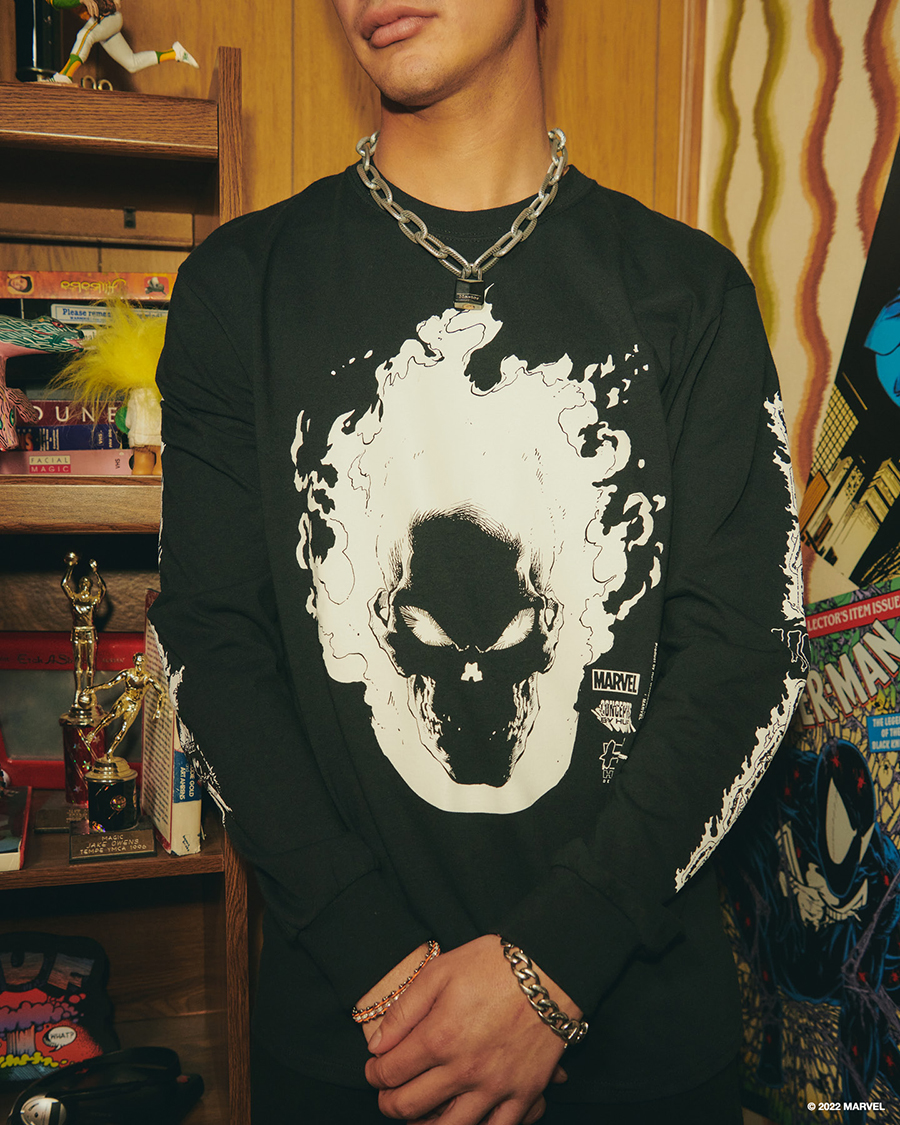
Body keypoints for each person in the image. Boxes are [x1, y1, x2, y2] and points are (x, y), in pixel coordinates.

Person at [149, 2, 808, 1122]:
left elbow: (745, 657)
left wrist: (554, 968)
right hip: (358, 1053)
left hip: (639, 1054)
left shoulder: (691, 293)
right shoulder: (238, 289)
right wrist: (384, 971)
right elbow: (213, 645)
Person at [46, 0, 198, 85]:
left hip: (107, 17)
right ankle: (175, 53)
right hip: (104, 23)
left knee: (85, 35)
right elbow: (59, 2)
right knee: (132, 63)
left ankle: (66, 75)